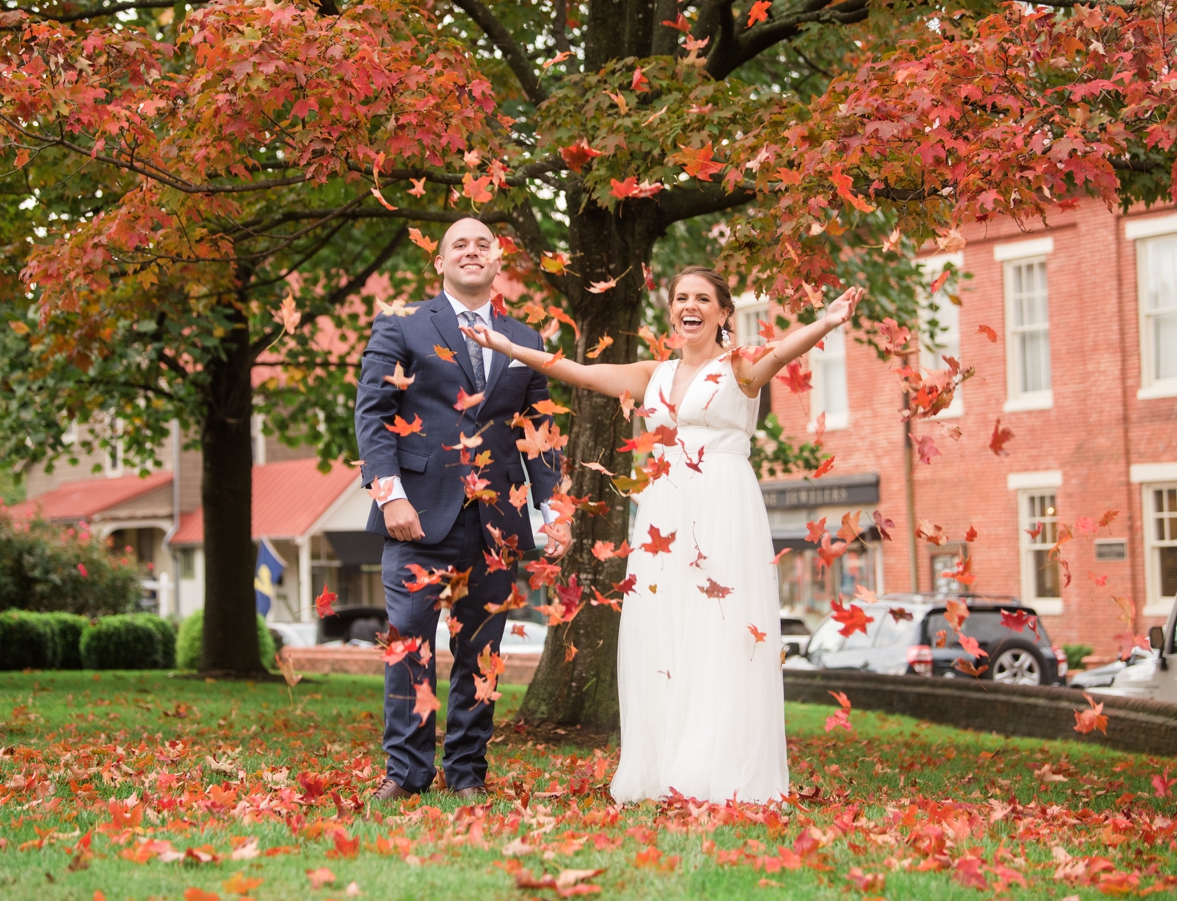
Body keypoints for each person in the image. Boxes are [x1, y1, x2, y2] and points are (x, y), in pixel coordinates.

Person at [466, 266, 862, 803]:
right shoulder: (653, 373)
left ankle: (715, 766)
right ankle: (666, 762)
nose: (689, 306)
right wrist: (508, 345)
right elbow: (577, 372)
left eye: (702, 298)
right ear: (671, 309)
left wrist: (827, 321)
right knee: (664, 630)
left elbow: (781, 352)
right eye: (680, 298)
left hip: (722, 505)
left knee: (719, 629)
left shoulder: (738, 369)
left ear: (724, 313)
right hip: (663, 509)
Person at [354, 218, 562, 801]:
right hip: (416, 516)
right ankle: (407, 773)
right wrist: (390, 494)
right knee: (409, 647)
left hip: (497, 520)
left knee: (483, 654)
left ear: (498, 263)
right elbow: (372, 414)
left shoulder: (526, 338)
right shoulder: (402, 325)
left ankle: (468, 774)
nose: (472, 252)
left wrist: (553, 510)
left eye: (483, 245)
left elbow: (538, 428)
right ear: (439, 263)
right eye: (459, 246)